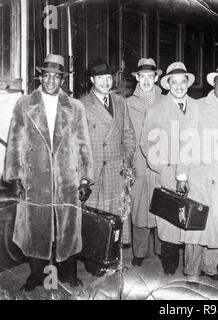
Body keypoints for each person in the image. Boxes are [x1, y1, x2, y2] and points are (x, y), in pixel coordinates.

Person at [4, 54, 94, 291]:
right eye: (47, 75)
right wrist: (14, 179)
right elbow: (14, 143)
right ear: (40, 77)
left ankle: (68, 275)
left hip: (68, 180)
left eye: (56, 76)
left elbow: (84, 144)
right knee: (36, 230)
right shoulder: (25, 104)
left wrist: (85, 179)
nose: (51, 80)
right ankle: (36, 277)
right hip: (34, 180)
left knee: (68, 230)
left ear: (63, 80)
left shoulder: (76, 107)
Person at [176, 62, 218, 282]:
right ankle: (192, 272)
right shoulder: (197, 106)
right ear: (213, 85)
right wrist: (182, 176)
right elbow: (186, 142)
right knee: (196, 226)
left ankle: (210, 267)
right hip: (200, 177)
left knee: (217, 224)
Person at [140, 62, 199, 275]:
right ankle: (169, 265)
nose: (178, 86)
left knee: (193, 220)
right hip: (168, 173)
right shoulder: (156, 109)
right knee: (169, 222)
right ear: (167, 85)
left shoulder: (197, 106)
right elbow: (145, 143)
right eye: (174, 82)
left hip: (194, 172)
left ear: (187, 84)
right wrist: (161, 167)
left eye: (182, 82)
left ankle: (193, 267)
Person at [80, 59, 136, 248]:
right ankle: (96, 262)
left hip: (117, 171)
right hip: (96, 173)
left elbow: (128, 134)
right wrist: (83, 175)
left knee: (117, 219)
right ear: (92, 80)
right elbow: (78, 144)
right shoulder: (81, 105)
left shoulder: (120, 102)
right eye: (100, 78)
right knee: (97, 219)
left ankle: (114, 259)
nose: (106, 82)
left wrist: (127, 160)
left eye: (108, 78)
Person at [127, 58, 162, 267]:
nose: (147, 81)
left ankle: (161, 248)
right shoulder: (128, 103)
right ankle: (139, 252)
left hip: (159, 163)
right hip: (138, 162)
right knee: (139, 208)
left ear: (156, 77)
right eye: (143, 77)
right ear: (138, 78)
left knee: (161, 206)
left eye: (150, 77)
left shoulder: (165, 100)